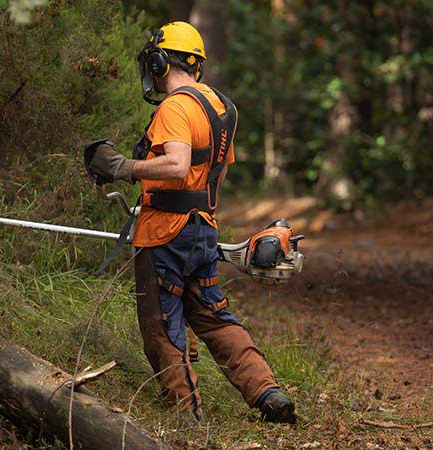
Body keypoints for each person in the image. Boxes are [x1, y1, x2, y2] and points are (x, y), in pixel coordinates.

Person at [85, 21, 295, 423]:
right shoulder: (222, 107)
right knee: (213, 317)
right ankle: (268, 393)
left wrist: (122, 168)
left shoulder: (175, 106)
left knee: (160, 325)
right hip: (202, 227)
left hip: (164, 232)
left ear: (161, 62)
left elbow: (178, 164)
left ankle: (186, 415)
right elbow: (218, 173)